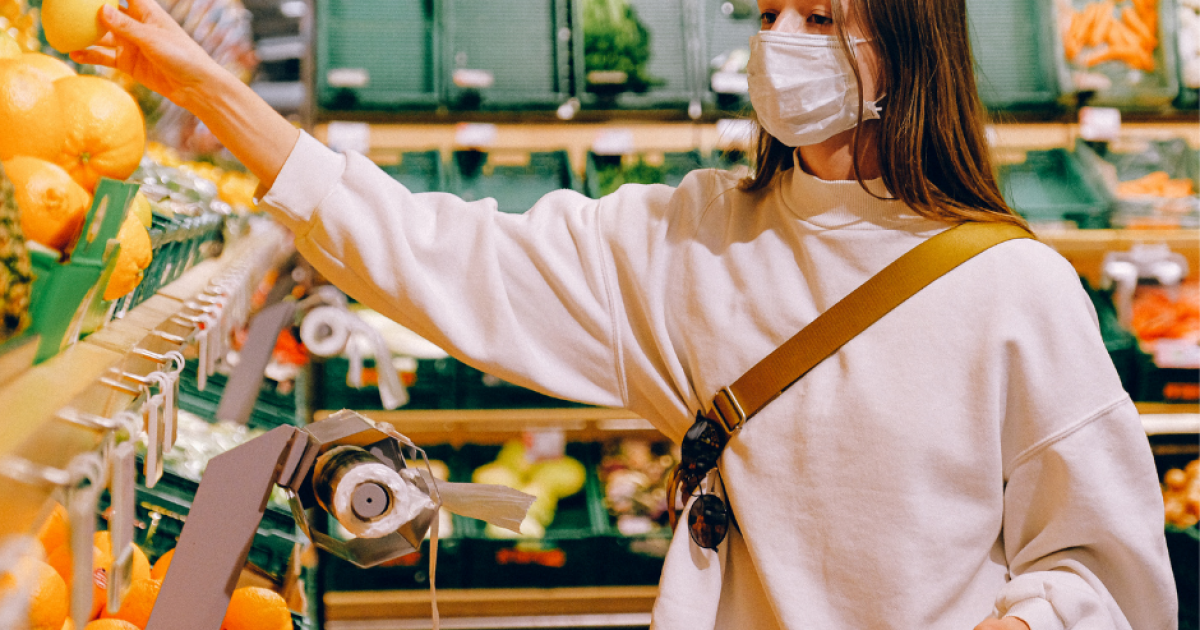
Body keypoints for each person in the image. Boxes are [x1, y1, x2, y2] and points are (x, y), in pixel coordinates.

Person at [73, 0, 1179, 628]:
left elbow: (1107, 573)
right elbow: (436, 251)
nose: (781, 40)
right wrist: (212, 94)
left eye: (823, 16)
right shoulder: (698, 238)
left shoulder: (1010, 291)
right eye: (770, 11)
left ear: (907, 44)